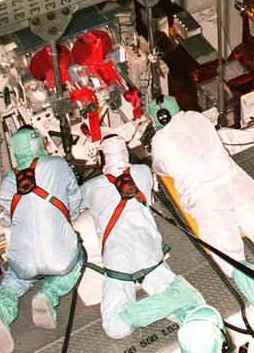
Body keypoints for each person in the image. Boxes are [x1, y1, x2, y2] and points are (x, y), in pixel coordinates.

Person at [147, 97, 254, 328]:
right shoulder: (197, 118)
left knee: (232, 259)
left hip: (207, 198)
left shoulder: (159, 140)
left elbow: (160, 168)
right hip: (237, 183)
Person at [81, 136, 210, 342]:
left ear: (103, 158)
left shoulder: (91, 187)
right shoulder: (142, 173)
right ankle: (179, 300)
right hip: (150, 255)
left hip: (118, 262)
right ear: (125, 153)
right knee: (186, 313)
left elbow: (74, 208)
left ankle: (173, 299)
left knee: (115, 327)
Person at [0, 127, 85, 353]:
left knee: (17, 276)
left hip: (24, 262)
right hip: (59, 259)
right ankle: (48, 294)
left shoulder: (8, 182)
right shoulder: (57, 165)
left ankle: (0, 306)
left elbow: (10, 220)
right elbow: (75, 201)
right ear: (39, 144)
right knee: (77, 255)